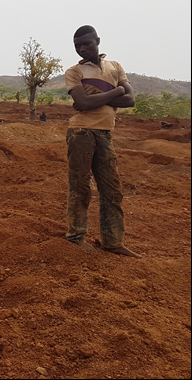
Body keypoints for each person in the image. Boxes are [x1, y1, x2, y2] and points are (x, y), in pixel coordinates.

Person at [64, 25, 140, 257]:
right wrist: (116, 93)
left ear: (97, 40)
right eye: (77, 46)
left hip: (105, 133)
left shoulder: (115, 67)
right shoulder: (73, 72)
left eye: (86, 43)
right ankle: (75, 238)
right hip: (81, 133)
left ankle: (113, 242)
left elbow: (131, 101)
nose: (81, 49)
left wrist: (95, 98)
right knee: (80, 187)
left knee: (112, 190)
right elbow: (85, 104)